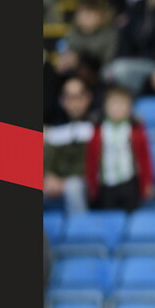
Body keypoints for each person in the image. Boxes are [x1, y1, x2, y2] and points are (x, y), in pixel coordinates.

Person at [84, 86, 154, 212]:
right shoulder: (96, 130)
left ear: (130, 108)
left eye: (122, 104)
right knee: (108, 220)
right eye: (113, 104)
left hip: (129, 181)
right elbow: (91, 159)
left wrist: (147, 182)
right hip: (106, 183)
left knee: (130, 217)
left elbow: (145, 158)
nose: (117, 108)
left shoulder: (136, 129)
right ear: (105, 107)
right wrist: (91, 184)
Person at [43, 77, 99, 213]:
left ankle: (81, 232)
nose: (75, 103)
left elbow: (94, 164)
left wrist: (64, 183)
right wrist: (48, 176)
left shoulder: (97, 125)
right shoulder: (55, 128)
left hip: (85, 181)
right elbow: (49, 161)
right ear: (62, 101)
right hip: (58, 180)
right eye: (69, 97)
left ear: (88, 98)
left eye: (78, 96)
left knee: (73, 187)